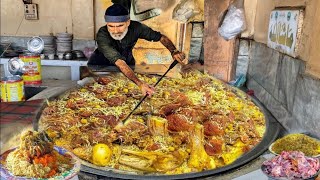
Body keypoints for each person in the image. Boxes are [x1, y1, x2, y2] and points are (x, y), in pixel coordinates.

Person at [88, 4, 186, 97]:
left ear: (128, 22)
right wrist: (140, 84)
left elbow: (160, 37)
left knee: (128, 93)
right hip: (100, 68)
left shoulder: (136, 27)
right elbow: (120, 63)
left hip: (127, 65)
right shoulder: (102, 34)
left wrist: (173, 51)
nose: (115, 31)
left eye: (120, 25)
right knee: (101, 93)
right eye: (111, 26)